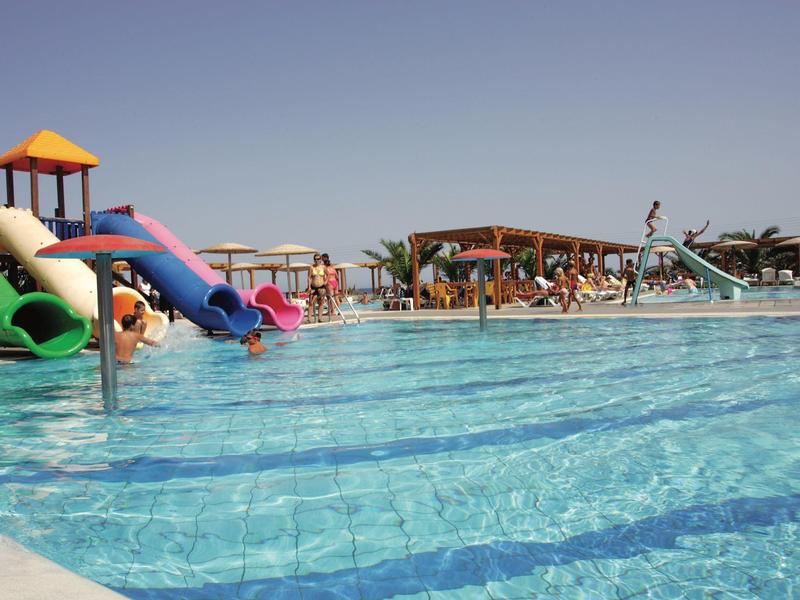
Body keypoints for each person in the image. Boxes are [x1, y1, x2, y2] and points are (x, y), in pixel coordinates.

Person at [307, 254, 328, 323]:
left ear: (320, 260)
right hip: (313, 287)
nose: (316, 260)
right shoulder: (311, 267)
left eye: (318, 259)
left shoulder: (323, 267)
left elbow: (327, 275)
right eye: (315, 259)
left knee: (321, 303)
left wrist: (326, 281)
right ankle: (309, 319)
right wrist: (309, 287)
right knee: (310, 303)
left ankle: (320, 318)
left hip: (321, 286)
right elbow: (309, 277)